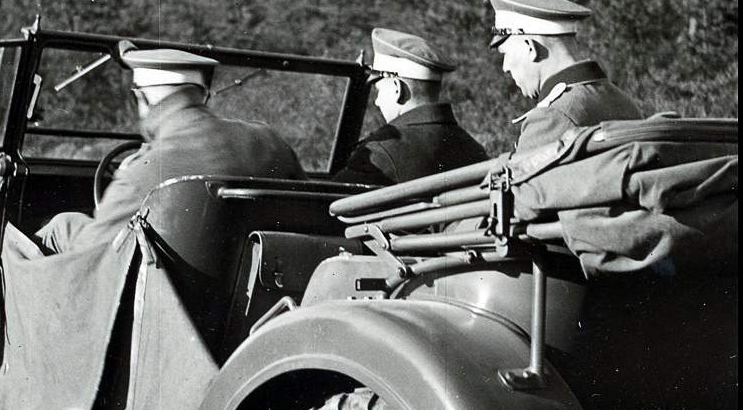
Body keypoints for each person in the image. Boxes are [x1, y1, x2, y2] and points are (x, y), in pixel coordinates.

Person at [37, 46, 306, 252]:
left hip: (168, 308)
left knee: (61, 227)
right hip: (260, 302)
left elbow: (90, 252)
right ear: (203, 95)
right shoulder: (271, 142)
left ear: (140, 98)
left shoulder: (143, 172)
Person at [487, 0, 643, 153]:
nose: (505, 67)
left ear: (529, 48)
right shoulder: (624, 101)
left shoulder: (552, 118)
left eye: (505, 54)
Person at [333, 28, 488, 186]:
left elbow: (323, 205)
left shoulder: (379, 154)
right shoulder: (475, 150)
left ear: (396, 88)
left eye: (378, 90)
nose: (377, 101)